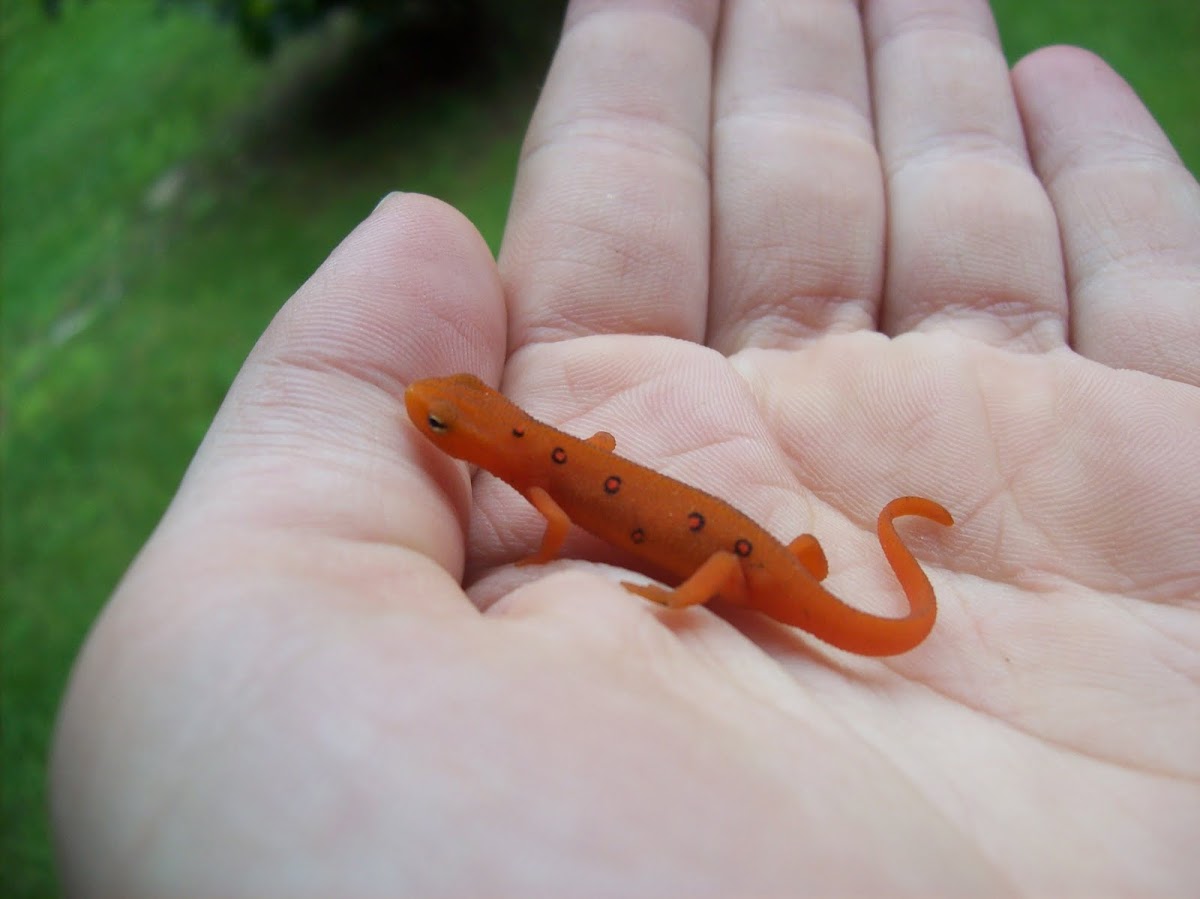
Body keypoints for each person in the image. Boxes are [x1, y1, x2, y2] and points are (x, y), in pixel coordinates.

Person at [52, 1, 1199, 894]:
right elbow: (569, 473)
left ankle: (755, 572)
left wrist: (679, 597)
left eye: (445, 421)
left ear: (483, 434)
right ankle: (794, 555)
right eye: (442, 419)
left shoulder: (533, 461)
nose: (433, 422)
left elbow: (566, 494)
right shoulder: (532, 450)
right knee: (731, 539)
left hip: (735, 566)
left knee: (731, 560)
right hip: (756, 548)